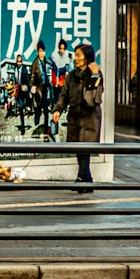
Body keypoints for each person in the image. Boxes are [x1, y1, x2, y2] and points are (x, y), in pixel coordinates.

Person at [51, 44, 103, 188]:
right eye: (75, 55)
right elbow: (63, 96)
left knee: (85, 149)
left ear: (87, 58)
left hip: (89, 118)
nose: (76, 58)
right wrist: (57, 110)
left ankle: (82, 178)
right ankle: (87, 178)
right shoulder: (71, 76)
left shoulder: (97, 74)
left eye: (79, 55)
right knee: (79, 149)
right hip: (74, 117)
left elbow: (93, 98)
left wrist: (94, 75)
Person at [30, 41, 56, 136]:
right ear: (37, 52)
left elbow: (52, 70)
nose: (41, 53)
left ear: (45, 52)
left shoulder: (47, 61)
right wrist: (31, 86)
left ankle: (45, 131)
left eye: (43, 51)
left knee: (46, 111)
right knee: (37, 111)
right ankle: (36, 129)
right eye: (40, 51)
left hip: (45, 89)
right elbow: (32, 77)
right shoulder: (35, 63)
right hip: (38, 90)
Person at [13, 54, 31, 135]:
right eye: (17, 61)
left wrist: (27, 88)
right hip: (18, 92)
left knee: (23, 105)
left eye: (20, 61)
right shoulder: (15, 69)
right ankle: (23, 127)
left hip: (24, 91)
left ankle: (28, 107)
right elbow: (15, 80)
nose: (19, 63)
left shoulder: (24, 69)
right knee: (20, 108)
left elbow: (27, 79)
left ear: (22, 62)